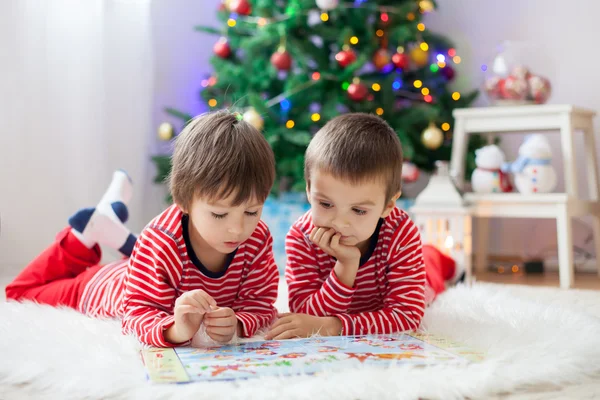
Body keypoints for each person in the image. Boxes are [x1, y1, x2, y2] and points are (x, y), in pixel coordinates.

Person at [7, 111, 280, 347]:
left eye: (251, 211)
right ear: (184, 201)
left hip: (141, 267)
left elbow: (262, 304)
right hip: (104, 286)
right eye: (219, 214)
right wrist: (176, 329)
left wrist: (238, 323)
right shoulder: (161, 241)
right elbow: (136, 314)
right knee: (19, 292)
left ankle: (110, 225)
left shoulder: (257, 238)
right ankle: (81, 238)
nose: (238, 229)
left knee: (145, 255)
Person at [266, 113, 462, 340]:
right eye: (326, 203)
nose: (340, 223)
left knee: (432, 273)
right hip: (367, 292)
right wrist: (345, 267)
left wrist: (334, 326)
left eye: (359, 210)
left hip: (420, 275)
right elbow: (306, 315)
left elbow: (407, 316)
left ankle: (448, 264)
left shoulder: (400, 232)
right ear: (309, 191)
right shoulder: (302, 237)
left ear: (388, 205)